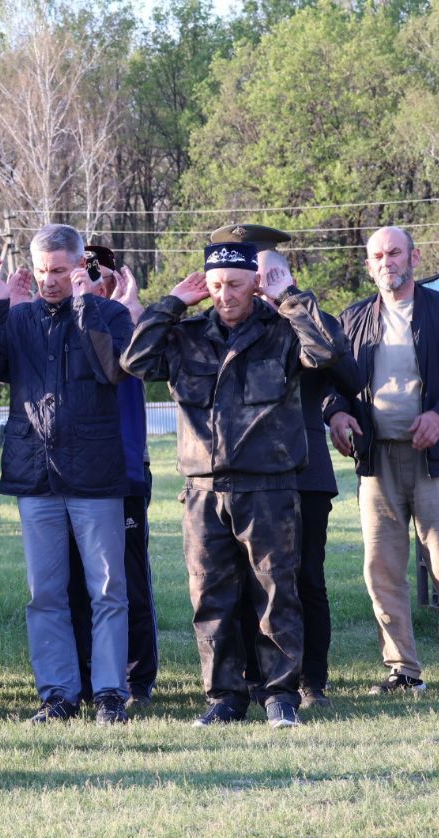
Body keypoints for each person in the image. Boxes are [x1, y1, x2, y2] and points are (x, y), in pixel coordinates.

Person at [122, 240, 346, 728]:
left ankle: (280, 695)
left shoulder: (282, 333)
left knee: (275, 592)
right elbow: (134, 362)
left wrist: (289, 297)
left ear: (255, 285)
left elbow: (326, 350)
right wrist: (172, 303)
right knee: (211, 597)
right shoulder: (185, 336)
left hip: (268, 487)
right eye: (217, 286)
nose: (226, 296)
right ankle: (224, 697)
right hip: (203, 489)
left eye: (236, 286)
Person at [0, 225, 133, 725]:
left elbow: (113, 369)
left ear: (80, 266)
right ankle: (57, 693)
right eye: (42, 271)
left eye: (59, 271)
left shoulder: (110, 314)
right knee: (45, 593)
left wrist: (85, 304)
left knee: (107, 590)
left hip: (96, 475)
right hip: (33, 475)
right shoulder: (18, 321)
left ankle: (109, 693)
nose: (49, 281)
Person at [211, 224, 364, 708]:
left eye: (265, 274)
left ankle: (310, 680)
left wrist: (293, 301)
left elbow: (348, 374)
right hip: (246, 474)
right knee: (244, 580)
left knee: (304, 579)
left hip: (303, 473)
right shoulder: (225, 326)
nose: (255, 285)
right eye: (246, 275)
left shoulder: (307, 317)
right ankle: (254, 677)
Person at [325, 225, 439, 695]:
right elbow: (331, 384)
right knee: (382, 571)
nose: (386, 261)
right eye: (377, 255)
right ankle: (403, 669)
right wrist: (337, 413)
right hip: (377, 462)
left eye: (394, 252)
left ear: (414, 257)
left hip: (436, 460)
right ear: (368, 265)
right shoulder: (353, 320)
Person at [63, 244, 159, 708]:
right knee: (78, 583)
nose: (86, 280)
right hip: (74, 475)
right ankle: (84, 674)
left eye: (95, 273)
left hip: (123, 472)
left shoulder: (125, 324)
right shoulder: (64, 323)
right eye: (78, 271)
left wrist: (131, 309)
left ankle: (138, 676)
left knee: (127, 579)